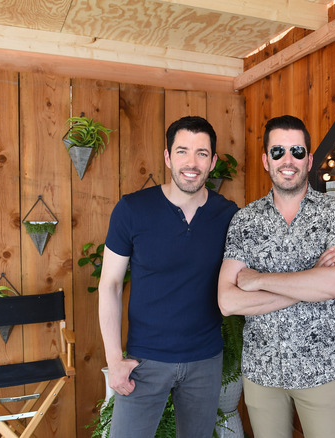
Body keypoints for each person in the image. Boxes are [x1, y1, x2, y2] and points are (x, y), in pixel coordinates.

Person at [218, 115, 335, 438]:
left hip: (322, 369)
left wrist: (259, 280)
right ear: (266, 160)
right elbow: (227, 301)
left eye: (297, 151)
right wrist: (311, 283)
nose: (288, 160)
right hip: (261, 372)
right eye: (278, 151)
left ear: (309, 159)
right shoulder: (244, 221)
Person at [98, 116, 239, 437]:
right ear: (167, 156)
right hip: (144, 362)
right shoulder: (132, 210)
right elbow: (110, 285)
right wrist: (114, 359)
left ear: (213, 161)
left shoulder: (227, 215)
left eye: (202, 153)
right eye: (182, 151)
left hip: (205, 361)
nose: (192, 163)